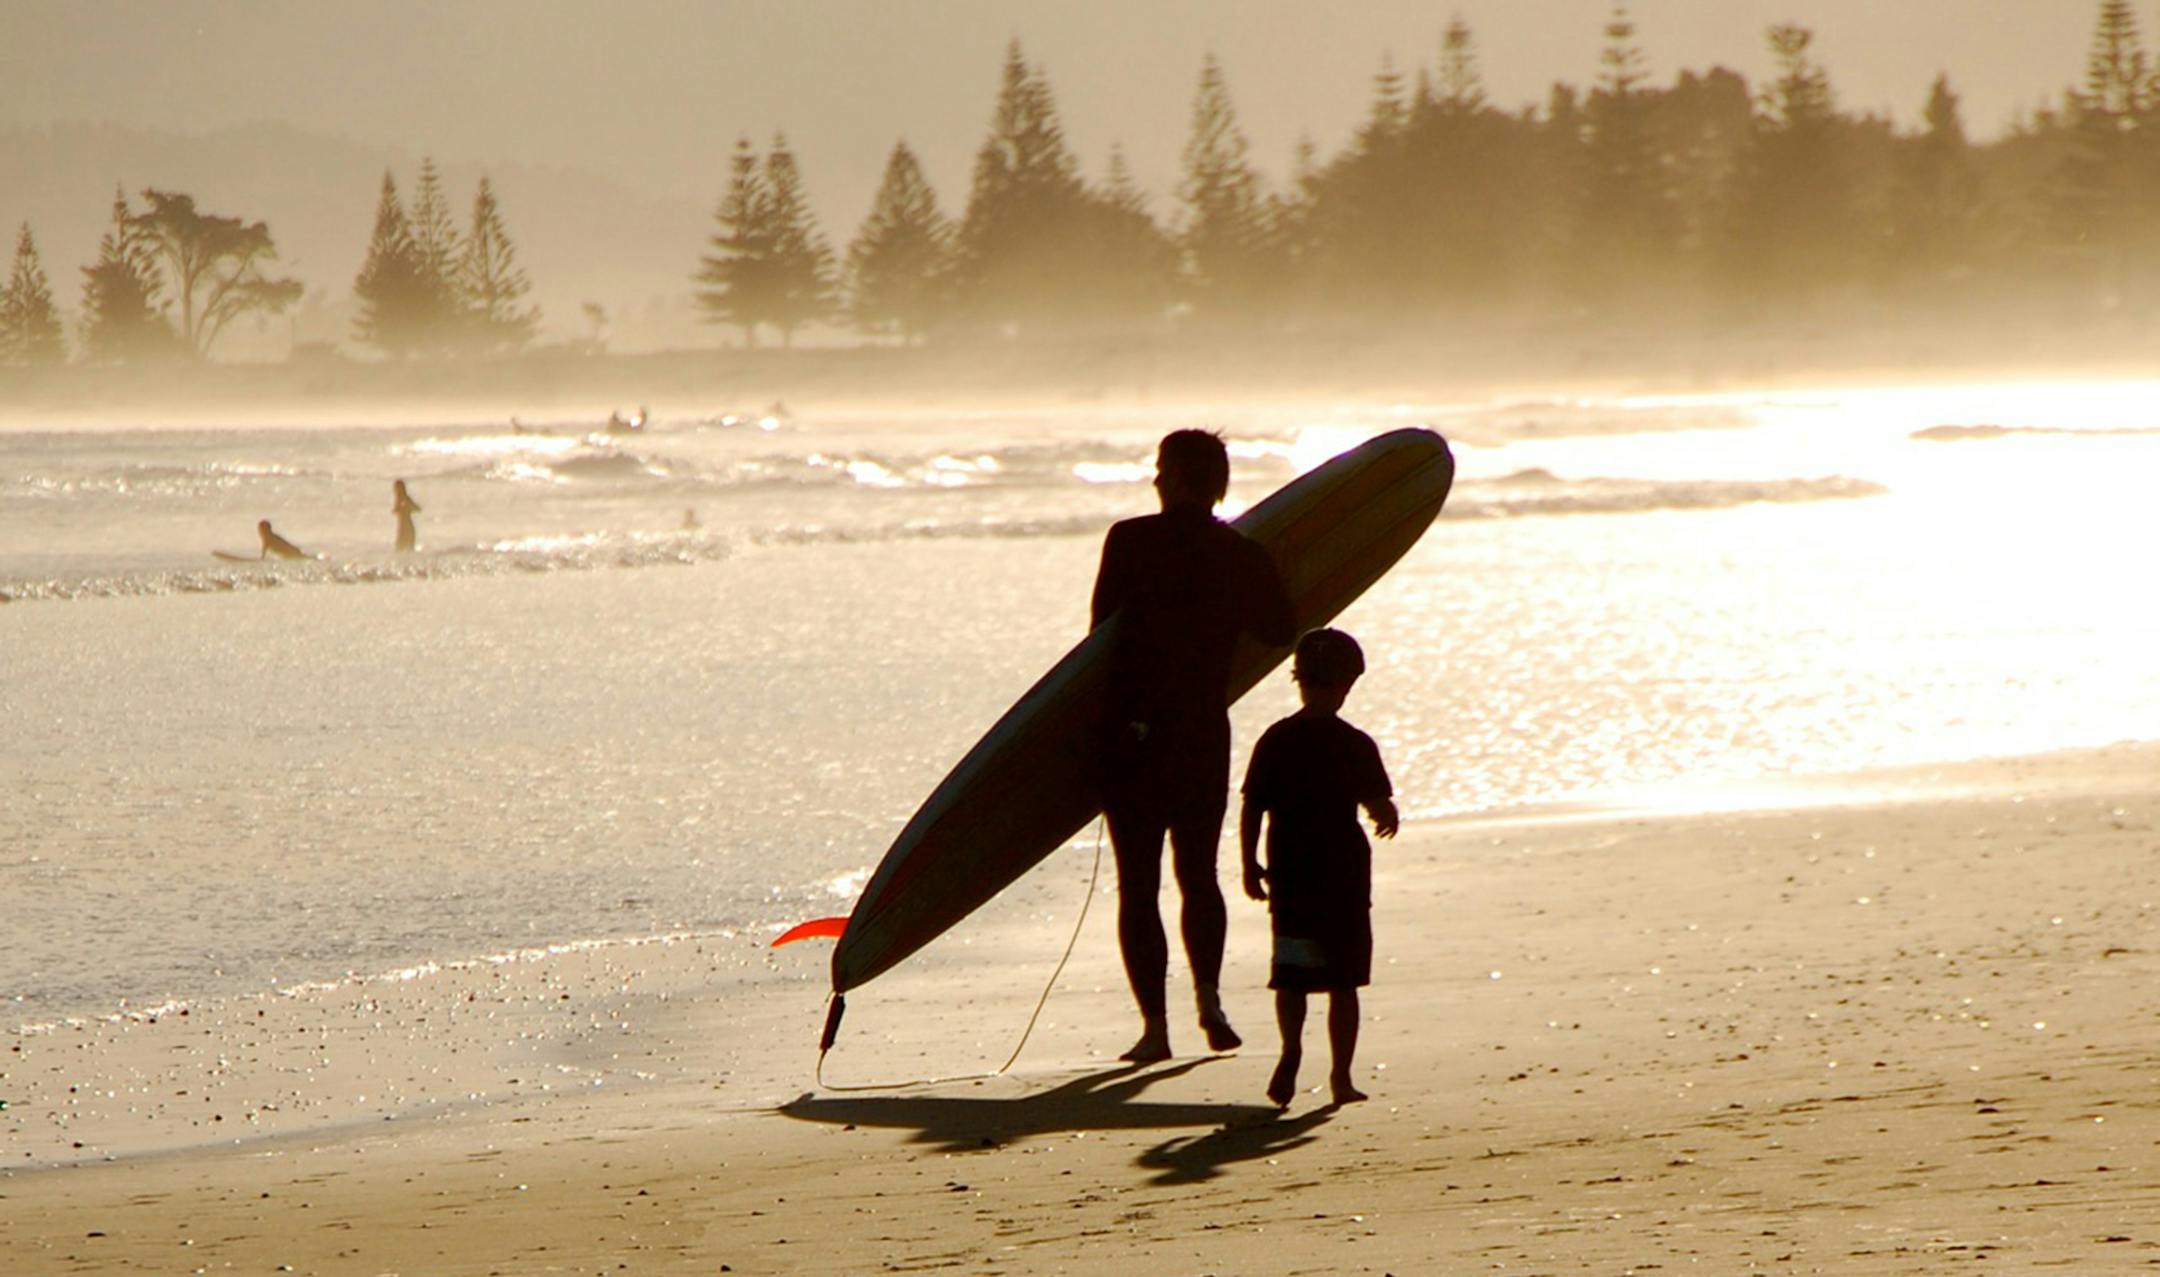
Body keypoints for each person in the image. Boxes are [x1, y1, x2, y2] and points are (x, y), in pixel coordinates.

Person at [1091, 428, 1296, 1063]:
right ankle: (1209, 997)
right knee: (1198, 875)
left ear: (1179, 477)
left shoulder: (1129, 541)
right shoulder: (1240, 552)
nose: (1154, 479)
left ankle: (1155, 1029)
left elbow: (1101, 639)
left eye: (1160, 469)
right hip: (1203, 731)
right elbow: (1280, 629)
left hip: (1135, 735)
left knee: (1138, 886)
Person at [1240, 628, 1399, 1107]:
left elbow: (1252, 807)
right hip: (1343, 873)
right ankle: (1341, 1078)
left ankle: (1290, 1049)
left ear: (1299, 681)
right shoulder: (1354, 743)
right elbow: (1378, 805)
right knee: (1344, 980)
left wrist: (1249, 863)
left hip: (1291, 868)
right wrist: (1386, 817)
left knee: (1290, 974)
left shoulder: (1275, 739)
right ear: (1347, 684)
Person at [392, 479, 421, 553]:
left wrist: (406, 508)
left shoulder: (404, 498)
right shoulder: (399, 498)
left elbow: (417, 509)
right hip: (403, 526)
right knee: (402, 547)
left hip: (406, 526)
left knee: (403, 547)